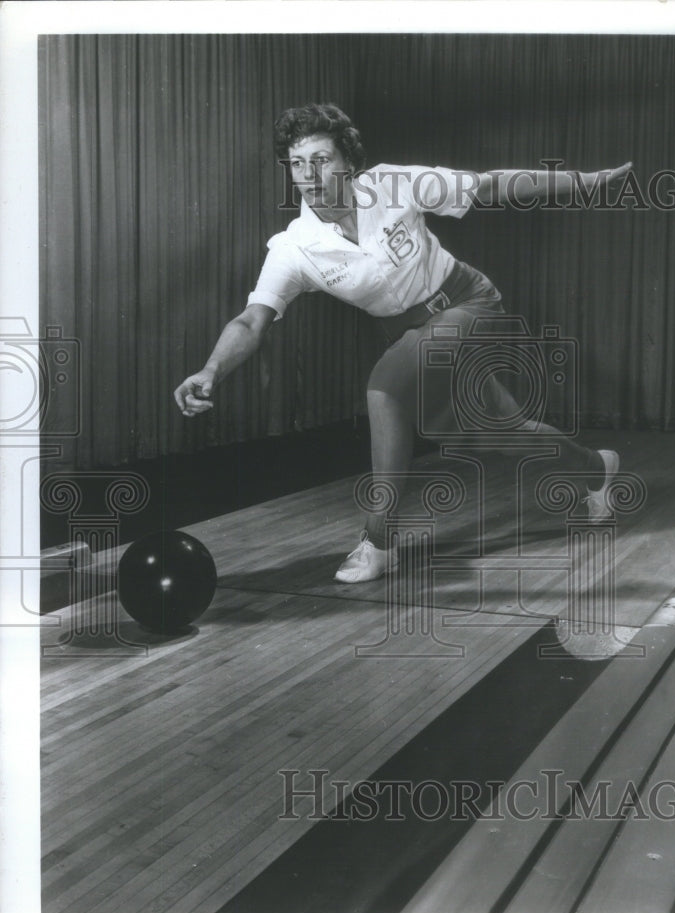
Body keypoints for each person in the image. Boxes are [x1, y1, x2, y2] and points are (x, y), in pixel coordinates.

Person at [174, 103, 631, 583]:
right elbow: (251, 320)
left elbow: (490, 184)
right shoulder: (295, 247)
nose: (309, 174)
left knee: (385, 388)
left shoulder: (394, 184)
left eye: (321, 159)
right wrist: (210, 370)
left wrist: (584, 181)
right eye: (297, 163)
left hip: (468, 304)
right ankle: (596, 470)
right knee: (501, 433)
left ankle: (379, 540)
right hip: (414, 336)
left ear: (348, 160)